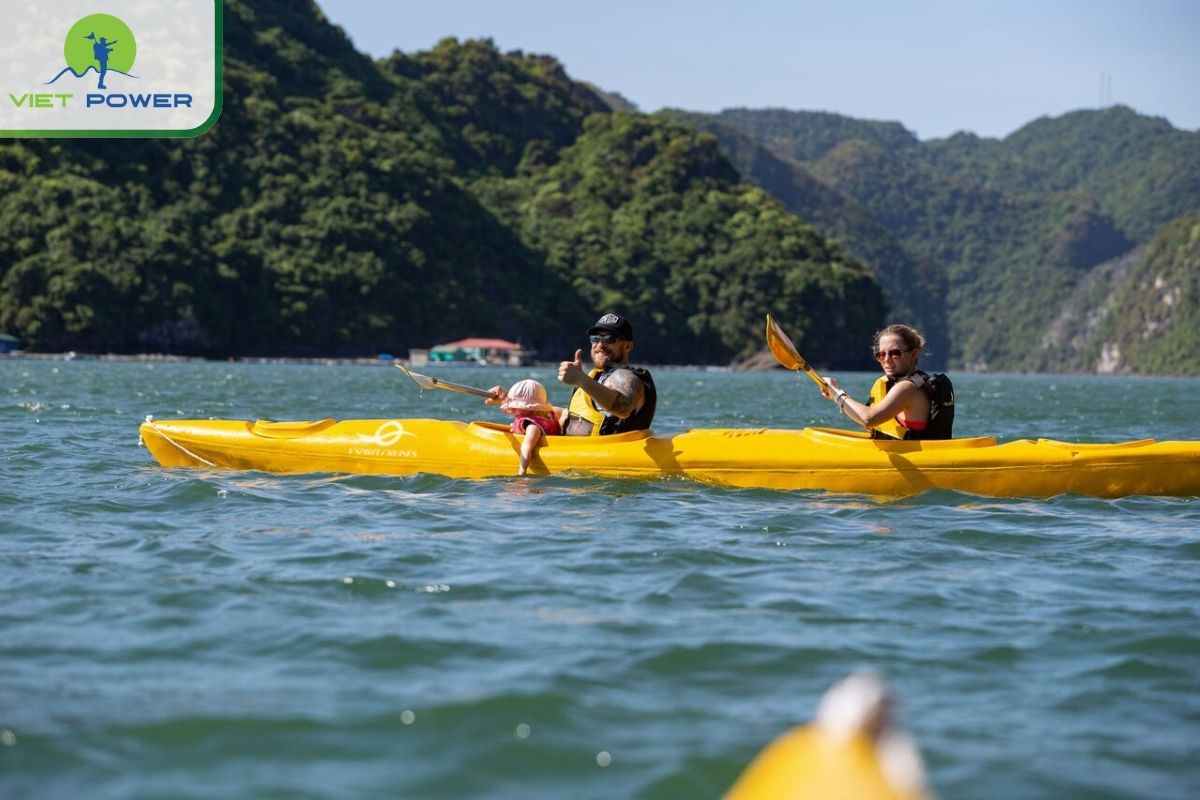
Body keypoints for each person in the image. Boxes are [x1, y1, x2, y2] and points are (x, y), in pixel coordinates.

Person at [487, 313, 656, 436]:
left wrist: (580, 379)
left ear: (628, 346)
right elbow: (569, 416)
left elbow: (623, 408)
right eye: (596, 338)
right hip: (575, 458)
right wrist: (514, 400)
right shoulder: (595, 378)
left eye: (610, 338)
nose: (600, 344)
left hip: (605, 460)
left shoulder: (626, 377)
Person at [819, 324, 954, 440]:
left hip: (916, 460)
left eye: (894, 353)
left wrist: (837, 393)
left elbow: (869, 419)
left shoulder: (907, 388)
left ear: (913, 354)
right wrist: (835, 394)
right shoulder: (914, 381)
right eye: (881, 354)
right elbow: (868, 420)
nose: (887, 359)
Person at [499, 379, 561, 475]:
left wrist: (522, 471)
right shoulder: (547, 415)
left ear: (526, 408)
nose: (511, 408)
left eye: (515, 406)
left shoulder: (532, 426)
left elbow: (527, 447)